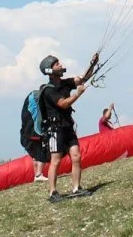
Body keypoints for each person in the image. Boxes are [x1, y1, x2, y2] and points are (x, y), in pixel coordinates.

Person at [38, 52, 99, 202]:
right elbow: (63, 104)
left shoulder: (65, 83)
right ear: (49, 70)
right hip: (55, 129)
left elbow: (83, 78)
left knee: (76, 156)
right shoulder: (48, 90)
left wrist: (92, 64)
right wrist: (78, 94)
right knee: (56, 161)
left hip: (67, 126)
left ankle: (76, 188)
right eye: (56, 64)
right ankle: (53, 193)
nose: (60, 65)